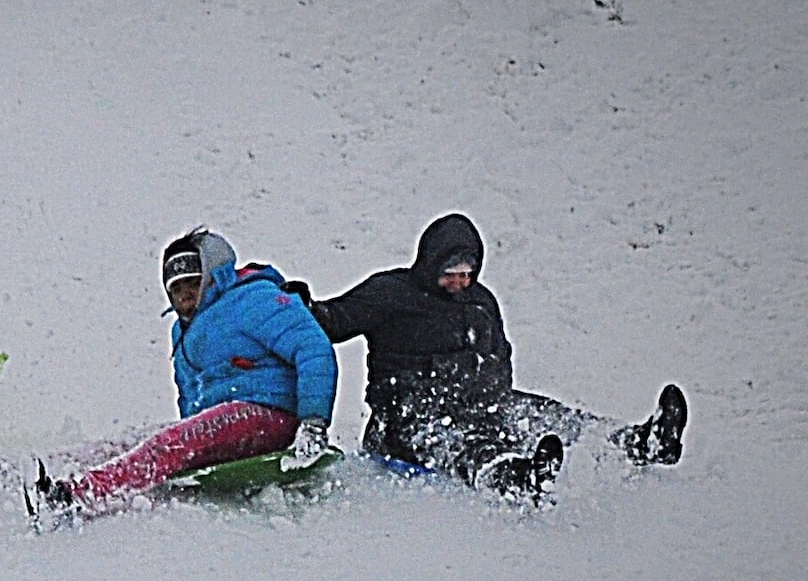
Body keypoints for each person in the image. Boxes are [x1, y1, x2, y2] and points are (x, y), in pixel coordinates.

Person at [288, 211, 686, 502]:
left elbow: (499, 359)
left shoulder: (481, 302)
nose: (459, 281)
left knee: (545, 414)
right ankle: (512, 479)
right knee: (456, 440)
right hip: (408, 416)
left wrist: (496, 400)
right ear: (430, 264)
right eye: (450, 272)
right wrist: (302, 307)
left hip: (480, 404)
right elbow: (335, 321)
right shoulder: (391, 293)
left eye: (467, 272)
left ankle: (638, 443)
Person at [25, 227, 339, 526]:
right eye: (176, 288)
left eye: (192, 282)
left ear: (212, 276)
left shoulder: (255, 298)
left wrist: (313, 424)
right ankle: (40, 470)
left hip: (272, 416)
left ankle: (75, 497)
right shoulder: (183, 331)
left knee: (172, 442)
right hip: (225, 423)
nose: (184, 293)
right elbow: (190, 396)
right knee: (132, 441)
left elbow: (312, 349)